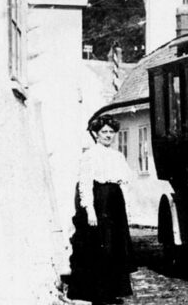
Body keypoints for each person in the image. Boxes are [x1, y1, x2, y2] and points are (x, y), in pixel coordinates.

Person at [67, 115, 135, 305]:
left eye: (111, 132)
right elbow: (85, 184)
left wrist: (127, 207)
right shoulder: (90, 155)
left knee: (116, 247)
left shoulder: (118, 155)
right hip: (100, 201)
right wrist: (90, 211)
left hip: (115, 202)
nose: (108, 135)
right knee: (100, 247)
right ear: (96, 134)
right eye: (104, 132)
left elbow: (124, 181)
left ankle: (113, 291)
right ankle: (98, 293)